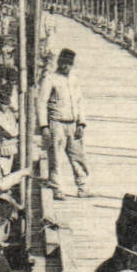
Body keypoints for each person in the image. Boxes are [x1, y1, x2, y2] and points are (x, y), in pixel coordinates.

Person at [37, 47, 90, 199]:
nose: (66, 66)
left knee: (78, 157)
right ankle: (56, 188)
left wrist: (81, 123)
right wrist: (44, 126)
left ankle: (83, 187)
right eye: (64, 63)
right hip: (56, 123)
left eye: (69, 63)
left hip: (73, 124)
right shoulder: (50, 79)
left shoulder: (74, 79)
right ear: (59, 62)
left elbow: (80, 102)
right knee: (55, 158)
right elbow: (41, 103)